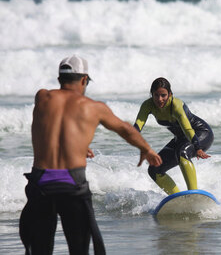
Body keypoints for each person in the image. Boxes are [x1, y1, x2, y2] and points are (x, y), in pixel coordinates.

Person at [19, 55, 162, 255]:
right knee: (79, 251)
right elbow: (125, 129)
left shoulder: (42, 97)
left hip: (41, 182)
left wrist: (73, 144)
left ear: (59, 79)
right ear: (84, 79)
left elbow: (55, 124)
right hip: (72, 183)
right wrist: (146, 149)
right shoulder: (94, 108)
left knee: (39, 251)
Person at [134, 77, 214, 195]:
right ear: (152, 95)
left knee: (182, 153)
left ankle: (193, 194)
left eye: (163, 95)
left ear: (170, 94)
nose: (160, 99)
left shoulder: (176, 105)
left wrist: (198, 147)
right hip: (181, 138)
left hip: (200, 133)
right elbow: (138, 125)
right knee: (154, 168)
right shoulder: (148, 105)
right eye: (156, 95)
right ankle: (176, 198)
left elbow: (187, 129)